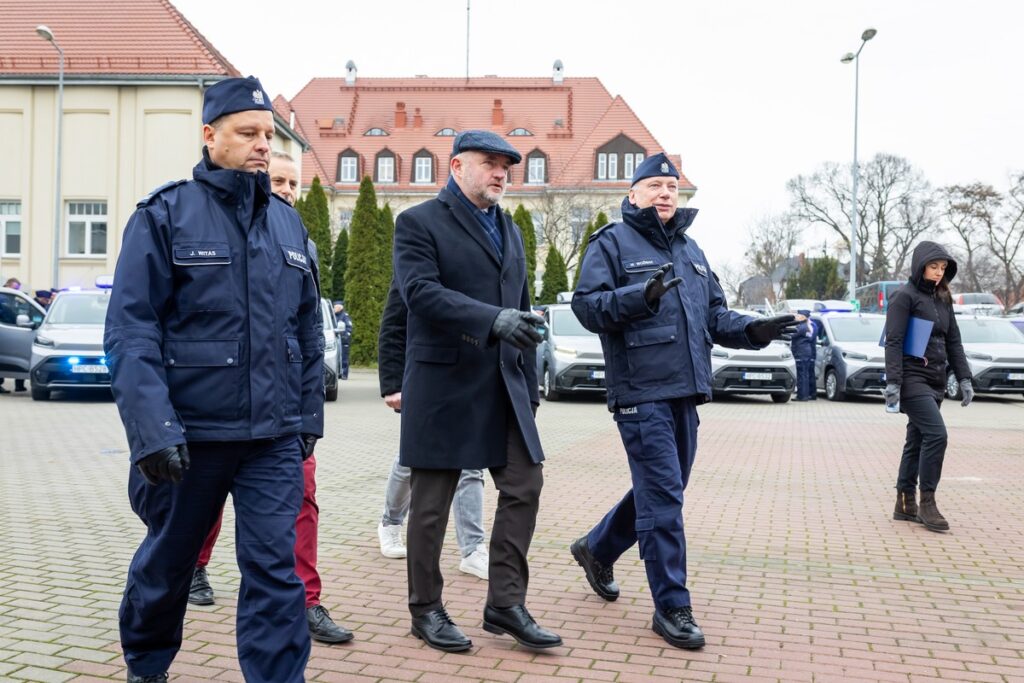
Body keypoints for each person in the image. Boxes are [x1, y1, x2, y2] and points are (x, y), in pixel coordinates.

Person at [105, 76, 324, 683]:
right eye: (247, 133)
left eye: (267, 135)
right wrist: (152, 431)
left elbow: (309, 333)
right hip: (190, 438)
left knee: (275, 572)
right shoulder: (165, 215)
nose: (262, 146)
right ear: (210, 135)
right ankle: (146, 666)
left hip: (272, 441)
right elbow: (131, 331)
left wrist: (308, 419)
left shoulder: (287, 225)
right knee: (168, 564)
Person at [569, 153, 798, 650]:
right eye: (653, 185)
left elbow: (716, 316)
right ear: (632, 194)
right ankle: (672, 605)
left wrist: (756, 329)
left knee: (662, 492)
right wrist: (639, 298)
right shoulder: (611, 243)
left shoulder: (692, 251)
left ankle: (597, 548)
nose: (665, 193)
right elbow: (586, 306)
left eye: (671, 186)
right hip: (640, 393)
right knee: (665, 498)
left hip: (686, 394)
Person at [392, 129, 561, 652]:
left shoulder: (510, 230)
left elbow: (524, 306)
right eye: (489, 163)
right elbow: (420, 294)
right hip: (444, 385)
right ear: (457, 164)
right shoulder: (418, 222)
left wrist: (529, 382)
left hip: (505, 387)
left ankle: (505, 603)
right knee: (431, 507)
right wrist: (494, 320)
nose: (500, 174)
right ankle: (426, 610)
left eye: (506, 167)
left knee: (525, 485)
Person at [186, 151, 353, 645]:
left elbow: (306, 330)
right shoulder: (208, 226)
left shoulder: (299, 240)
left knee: (303, 502)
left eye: (293, 183)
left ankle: (307, 601)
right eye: (276, 179)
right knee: (207, 502)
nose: (285, 189)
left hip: (284, 412)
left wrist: (309, 413)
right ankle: (191, 568)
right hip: (222, 408)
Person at [377, 278, 490, 578]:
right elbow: (393, 324)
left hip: (469, 378)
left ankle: (472, 548)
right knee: (411, 459)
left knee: (470, 463)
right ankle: (390, 523)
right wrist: (391, 383)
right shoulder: (418, 260)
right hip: (426, 378)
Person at [884, 241, 972, 532]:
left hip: (935, 380)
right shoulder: (903, 297)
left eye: (943, 268)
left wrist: (964, 378)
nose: (938, 272)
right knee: (937, 434)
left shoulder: (944, 299)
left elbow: (953, 341)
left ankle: (904, 502)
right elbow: (894, 341)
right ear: (920, 265)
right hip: (911, 379)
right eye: (933, 266)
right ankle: (927, 503)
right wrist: (894, 382)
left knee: (918, 439)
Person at [791, 309, 817, 401]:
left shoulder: (801, 327)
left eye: (798, 316)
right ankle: (805, 394)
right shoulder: (808, 326)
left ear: (803, 317)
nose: (796, 317)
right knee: (805, 375)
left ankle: (802, 395)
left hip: (800, 353)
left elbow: (791, 335)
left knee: (801, 375)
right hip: (806, 352)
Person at [334, 302, 352, 379]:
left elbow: (349, 328)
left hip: (343, 340)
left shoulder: (345, 316)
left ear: (340, 307)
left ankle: (344, 374)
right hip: (334, 340)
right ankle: (336, 374)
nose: (334, 308)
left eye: (335, 307)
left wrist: (345, 336)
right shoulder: (333, 316)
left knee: (344, 358)